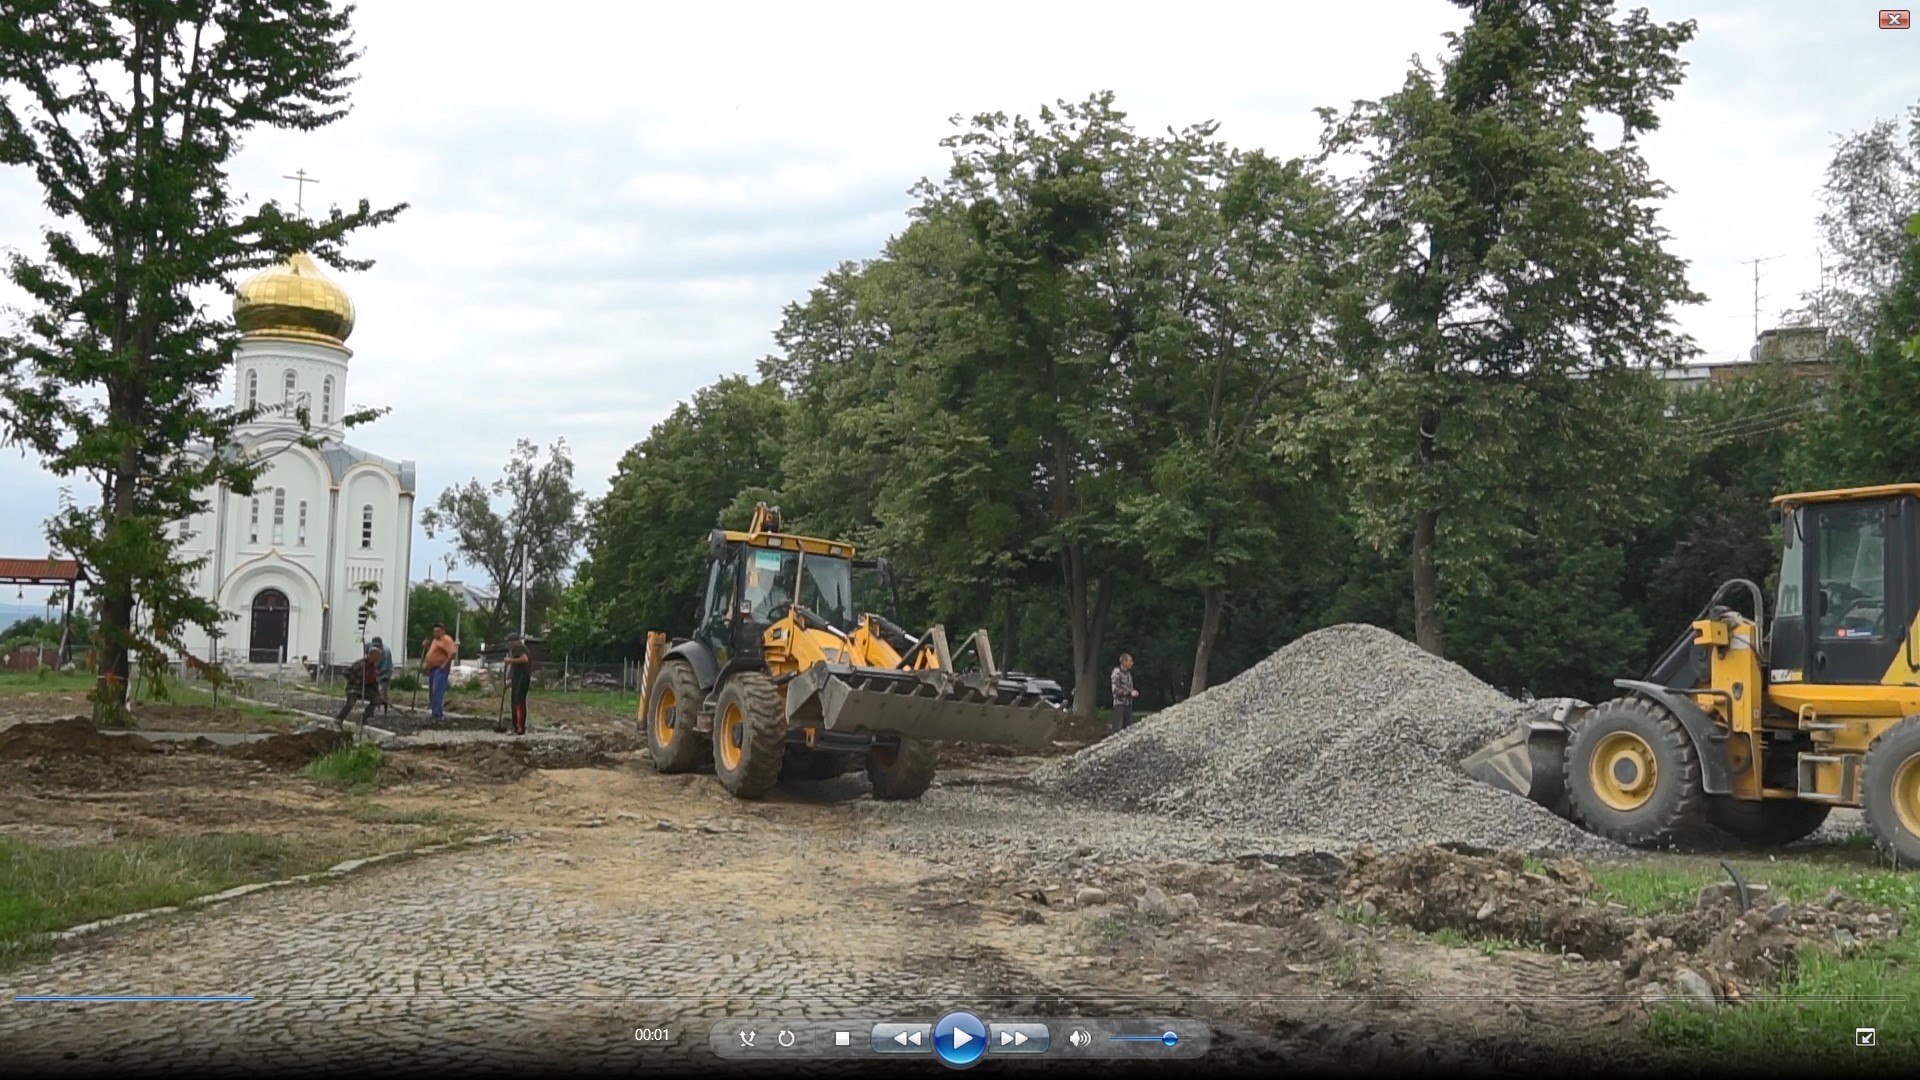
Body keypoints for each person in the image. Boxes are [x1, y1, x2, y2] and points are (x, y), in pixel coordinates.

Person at [336, 642, 383, 727]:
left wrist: (378, 694)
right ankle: (339, 719)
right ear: (371, 656)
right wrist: (355, 679)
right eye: (376, 658)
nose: (377, 660)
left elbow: (374, 683)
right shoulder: (361, 664)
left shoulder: (374, 668)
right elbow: (346, 672)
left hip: (365, 689)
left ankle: (363, 719)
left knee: (376, 700)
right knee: (350, 703)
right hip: (354, 688)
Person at [421, 623, 458, 720]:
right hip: (433, 669)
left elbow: (452, 652)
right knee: (432, 692)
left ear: (443, 631)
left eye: (438, 631)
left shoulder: (446, 639)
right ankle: (435, 712)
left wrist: (444, 664)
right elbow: (433, 653)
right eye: (434, 631)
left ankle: (437, 714)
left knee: (437, 690)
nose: (436, 633)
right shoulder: (435, 641)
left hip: (440, 669)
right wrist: (426, 647)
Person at [504, 632, 533, 736]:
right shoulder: (514, 650)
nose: (509, 644)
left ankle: (520, 727)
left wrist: (509, 660)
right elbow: (513, 666)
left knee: (519, 701)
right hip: (517, 677)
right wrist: (508, 678)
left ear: (515, 641)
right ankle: (515, 725)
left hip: (522, 677)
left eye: (510, 642)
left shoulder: (520, 647)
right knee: (514, 701)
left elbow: (524, 659)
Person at [1110, 652, 1140, 732]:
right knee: (1118, 729)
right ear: (1124, 662)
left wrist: (1133, 691)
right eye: (1130, 661)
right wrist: (1128, 693)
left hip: (1128, 704)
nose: (1132, 663)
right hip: (1119, 704)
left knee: (1127, 729)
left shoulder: (1128, 674)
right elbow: (1115, 689)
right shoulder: (1116, 672)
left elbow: (1129, 687)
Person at [370, 636, 394, 714]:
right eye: (374, 646)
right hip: (378, 671)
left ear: (380, 645)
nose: (375, 647)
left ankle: (384, 708)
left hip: (386, 672)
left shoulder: (386, 652)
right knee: (374, 691)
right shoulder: (372, 649)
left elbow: (385, 668)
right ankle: (374, 708)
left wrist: (378, 675)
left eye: (377, 646)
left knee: (383, 691)